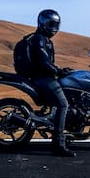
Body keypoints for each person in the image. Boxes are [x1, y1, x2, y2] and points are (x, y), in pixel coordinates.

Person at [27, 9, 76, 157]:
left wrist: (60, 71)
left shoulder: (44, 40)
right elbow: (43, 62)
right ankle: (58, 145)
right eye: (51, 24)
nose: (54, 28)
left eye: (56, 24)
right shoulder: (39, 39)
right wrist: (58, 71)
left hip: (45, 77)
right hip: (42, 79)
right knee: (63, 105)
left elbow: (47, 62)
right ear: (42, 23)